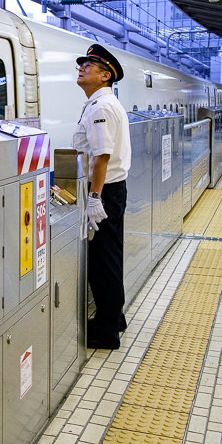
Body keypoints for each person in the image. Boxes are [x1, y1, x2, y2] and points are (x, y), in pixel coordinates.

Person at [73, 44, 131, 349]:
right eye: (81, 65)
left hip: (104, 190)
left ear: (105, 75)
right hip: (110, 189)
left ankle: (107, 332)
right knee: (110, 256)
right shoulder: (100, 103)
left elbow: (101, 158)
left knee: (102, 261)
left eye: (89, 65)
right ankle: (114, 318)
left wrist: (94, 197)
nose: (81, 68)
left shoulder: (101, 108)